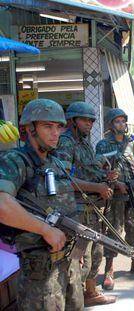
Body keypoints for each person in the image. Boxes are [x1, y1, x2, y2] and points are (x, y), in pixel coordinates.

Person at [0, 99, 83, 310]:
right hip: (40, 271)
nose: (55, 133)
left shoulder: (54, 162)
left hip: (68, 262)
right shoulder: (16, 160)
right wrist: (44, 229)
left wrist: (76, 253)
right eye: (48, 126)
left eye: (58, 127)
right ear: (30, 129)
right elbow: (2, 204)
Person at [55, 101, 117, 306]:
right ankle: (74, 299)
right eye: (84, 120)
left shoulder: (84, 143)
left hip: (92, 207)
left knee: (96, 253)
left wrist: (105, 176)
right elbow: (62, 179)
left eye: (91, 120)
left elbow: (88, 170)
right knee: (80, 258)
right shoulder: (66, 142)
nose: (89, 124)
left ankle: (90, 293)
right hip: (77, 210)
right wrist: (97, 187)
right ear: (72, 121)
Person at [96, 108, 134, 291]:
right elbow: (98, 170)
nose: (122, 124)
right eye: (117, 121)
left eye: (123, 121)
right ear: (110, 125)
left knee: (133, 229)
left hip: (133, 193)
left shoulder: (131, 143)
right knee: (114, 231)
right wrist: (116, 182)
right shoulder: (103, 145)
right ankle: (109, 269)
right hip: (115, 196)